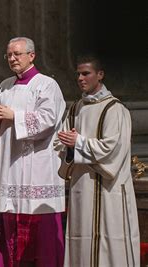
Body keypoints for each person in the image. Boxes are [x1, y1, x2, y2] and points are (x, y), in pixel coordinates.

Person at [0, 37, 66, 266]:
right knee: (8, 219)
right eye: (8, 55)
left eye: (17, 54)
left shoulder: (47, 85)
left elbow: (49, 119)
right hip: (8, 164)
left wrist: (15, 117)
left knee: (38, 225)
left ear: (32, 56)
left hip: (35, 164)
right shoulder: (4, 86)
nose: (12, 59)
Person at [55, 55, 140, 266]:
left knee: (111, 241)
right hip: (82, 187)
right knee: (81, 238)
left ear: (100, 75)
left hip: (108, 189)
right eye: (78, 74)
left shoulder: (115, 109)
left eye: (86, 73)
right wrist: (68, 146)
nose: (81, 78)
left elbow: (114, 149)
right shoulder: (75, 108)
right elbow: (62, 145)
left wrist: (79, 142)